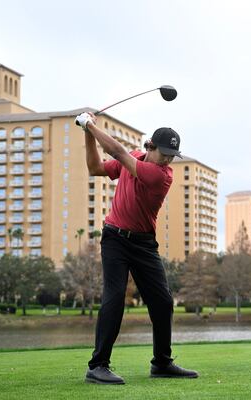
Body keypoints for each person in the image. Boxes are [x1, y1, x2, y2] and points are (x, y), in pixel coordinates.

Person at [75, 112, 198, 384]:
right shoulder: (135, 158)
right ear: (150, 146)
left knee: (163, 302)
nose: (168, 159)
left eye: (172, 155)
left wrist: (89, 124)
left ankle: (162, 363)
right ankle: (97, 366)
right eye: (164, 152)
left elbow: (117, 152)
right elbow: (95, 168)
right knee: (115, 296)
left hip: (143, 244)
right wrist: (87, 133)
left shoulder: (160, 175)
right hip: (115, 239)